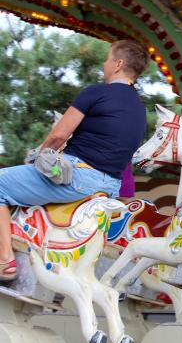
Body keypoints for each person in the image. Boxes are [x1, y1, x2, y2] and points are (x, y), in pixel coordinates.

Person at [0, 40, 149, 281]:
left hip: (78, 177)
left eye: (108, 59)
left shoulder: (97, 92)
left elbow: (58, 135)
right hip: (109, 187)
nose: (105, 64)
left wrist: (37, 158)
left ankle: (5, 260)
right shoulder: (140, 108)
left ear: (118, 64)